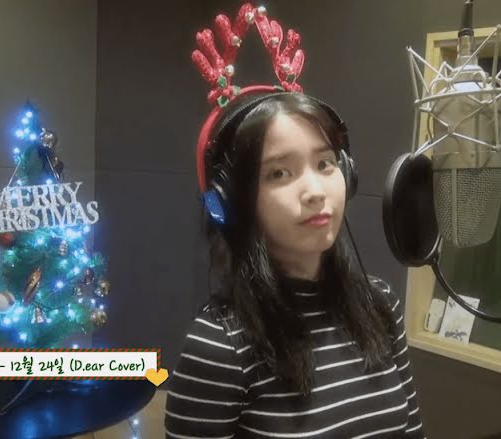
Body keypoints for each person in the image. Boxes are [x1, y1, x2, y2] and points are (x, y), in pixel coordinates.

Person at [166, 4, 425, 438]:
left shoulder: (381, 306)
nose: (315, 191)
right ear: (230, 200)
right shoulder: (220, 346)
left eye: (325, 164)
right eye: (279, 173)